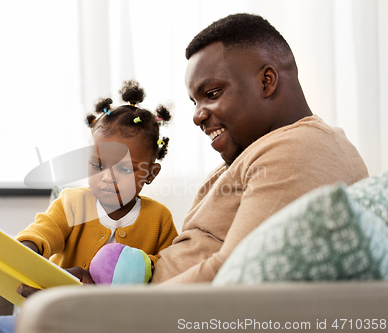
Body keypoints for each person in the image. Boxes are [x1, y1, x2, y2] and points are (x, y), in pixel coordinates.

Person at [0, 80, 178, 333]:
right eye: (98, 166)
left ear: (151, 173)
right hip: (58, 309)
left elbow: (172, 266)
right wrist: (27, 251)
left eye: (123, 168)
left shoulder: (159, 218)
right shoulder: (73, 203)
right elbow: (43, 231)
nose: (107, 177)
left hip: (111, 321)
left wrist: (136, 266)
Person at [150, 13, 369, 283]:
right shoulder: (264, 148)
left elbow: (233, 274)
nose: (197, 116)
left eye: (213, 94)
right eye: (194, 102)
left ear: (266, 81)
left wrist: (123, 310)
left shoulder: (297, 148)